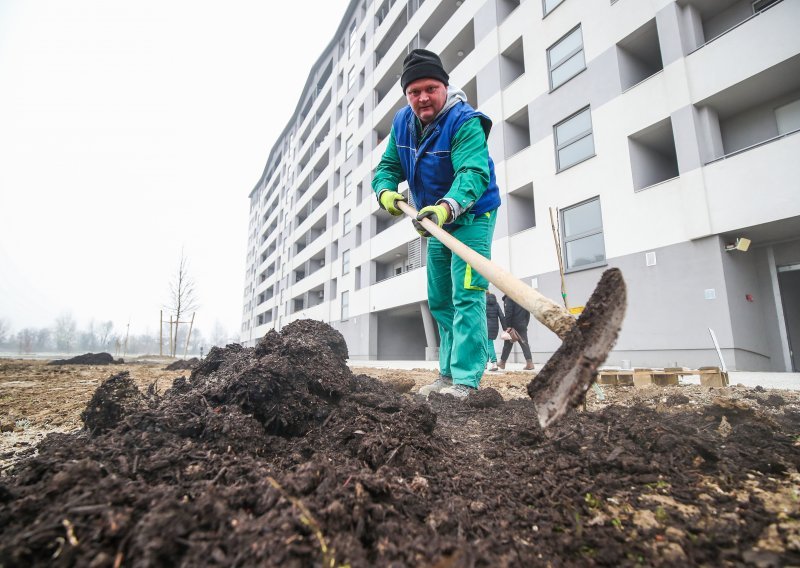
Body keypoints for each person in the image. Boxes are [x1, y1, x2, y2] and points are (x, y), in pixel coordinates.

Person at [372, 49, 501, 399]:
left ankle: (466, 382)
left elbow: (473, 173)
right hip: (435, 222)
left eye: (430, 88)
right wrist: (384, 191)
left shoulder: (464, 121)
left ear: (444, 87)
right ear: (407, 95)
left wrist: (445, 209)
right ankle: (446, 375)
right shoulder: (403, 123)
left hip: (472, 215)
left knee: (467, 294)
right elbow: (387, 168)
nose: (423, 97)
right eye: (414, 92)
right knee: (440, 297)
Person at [499, 294, 535, 371]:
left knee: (507, 344)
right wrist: (525, 324)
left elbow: (508, 313)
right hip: (522, 325)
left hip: (513, 326)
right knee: (524, 344)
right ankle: (530, 363)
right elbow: (527, 313)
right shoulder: (522, 298)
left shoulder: (509, 298)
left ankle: (502, 362)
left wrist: (508, 326)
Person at [485, 291, 504, 372]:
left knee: (489, 344)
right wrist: (505, 327)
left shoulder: (483, 303)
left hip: (485, 327)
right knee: (486, 344)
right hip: (494, 327)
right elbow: (501, 316)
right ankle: (484, 363)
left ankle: (494, 363)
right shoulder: (496, 303)